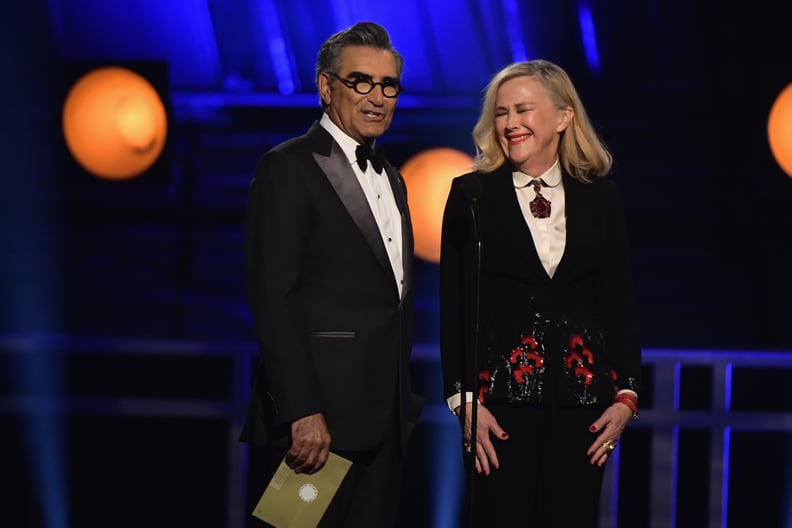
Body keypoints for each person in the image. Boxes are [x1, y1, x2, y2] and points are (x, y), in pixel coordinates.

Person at [439, 59, 642, 527]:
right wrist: (464, 401)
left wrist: (626, 394)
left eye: (523, 110)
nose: (510, 123)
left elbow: (618, 301)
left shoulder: (601, 198)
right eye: (502, 112)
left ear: (564, 117)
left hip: (584, 406)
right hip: (499, 407)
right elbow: (455, 306)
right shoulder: (471, 195)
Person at [240, 21, 424, 528]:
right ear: (326, 87)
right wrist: (302, 411)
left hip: (383, 423)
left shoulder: (393, 177)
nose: (377, 97)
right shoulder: (287, 168)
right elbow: (273, 298)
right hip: (314, 430)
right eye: (361, 81)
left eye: (388, 85)